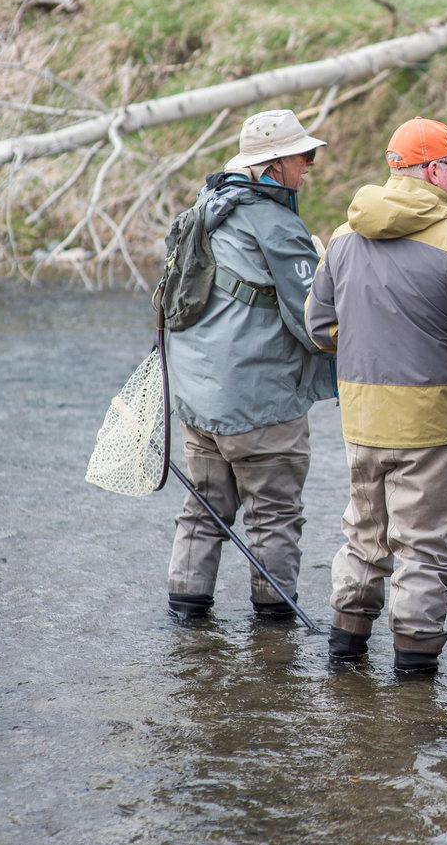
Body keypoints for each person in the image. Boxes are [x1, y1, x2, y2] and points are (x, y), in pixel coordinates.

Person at [305, 116, 447, 678]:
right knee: (423, 548)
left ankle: (346, 651)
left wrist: (369, 348)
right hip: (433, 424)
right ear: (434, 170)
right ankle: (414, 673)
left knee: (364, 537)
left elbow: (319, 327)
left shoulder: (342, 238)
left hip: (361, 421)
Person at [164, 109, 336, 622]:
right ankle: (274, 640)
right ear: (274, 165)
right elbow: (315, 325)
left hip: (199, 401)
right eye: (303, 157)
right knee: (275, 518)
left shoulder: (207, 207)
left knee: (203, 510)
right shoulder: (279, 227)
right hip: (261, 406)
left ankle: (186, 623)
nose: (309, 166)